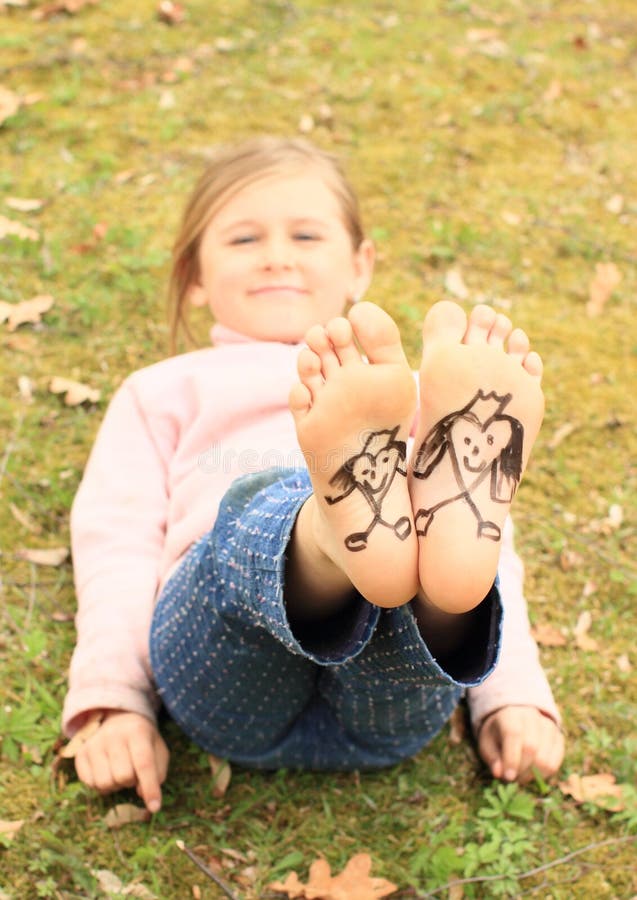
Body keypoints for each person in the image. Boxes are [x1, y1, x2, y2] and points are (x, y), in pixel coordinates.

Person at [63, 136, 564, 815]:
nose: (276, 254)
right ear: (195, 277)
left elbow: (483, 549)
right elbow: (116, 543)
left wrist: (510, 697)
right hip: (222, 672)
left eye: (305, 234)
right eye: (243, 239)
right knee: (252, 516)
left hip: (389, 704)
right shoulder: (165, 390)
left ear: (359, 264)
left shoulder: (419, 396)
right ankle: (332, 528)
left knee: (437, 549)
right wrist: (115, 702)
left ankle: (371, 543)